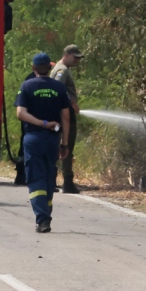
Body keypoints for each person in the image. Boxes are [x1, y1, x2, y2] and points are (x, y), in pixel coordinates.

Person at [15, 52, 72, 233]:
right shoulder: (59, 88)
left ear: (33, 68)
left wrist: (42, 124)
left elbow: (20, 113)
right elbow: (66, 117)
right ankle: (47, 211)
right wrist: (65, 144)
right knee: (48, 176)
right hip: (52, 140)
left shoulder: (27, 86)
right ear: (49, 68)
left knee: (35, 178)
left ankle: (42, 219)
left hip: (33, 138)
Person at [49, 45, 82, 194]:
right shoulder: (62, 70)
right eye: (75, 57)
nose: (77, 61)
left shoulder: (59, 68)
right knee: (66, 146)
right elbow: (57, 87)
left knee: (59, 146)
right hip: (65, 114)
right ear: (67, 55)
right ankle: (67, 182)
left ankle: (52, 179)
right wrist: (71, 103)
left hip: (60, 113)